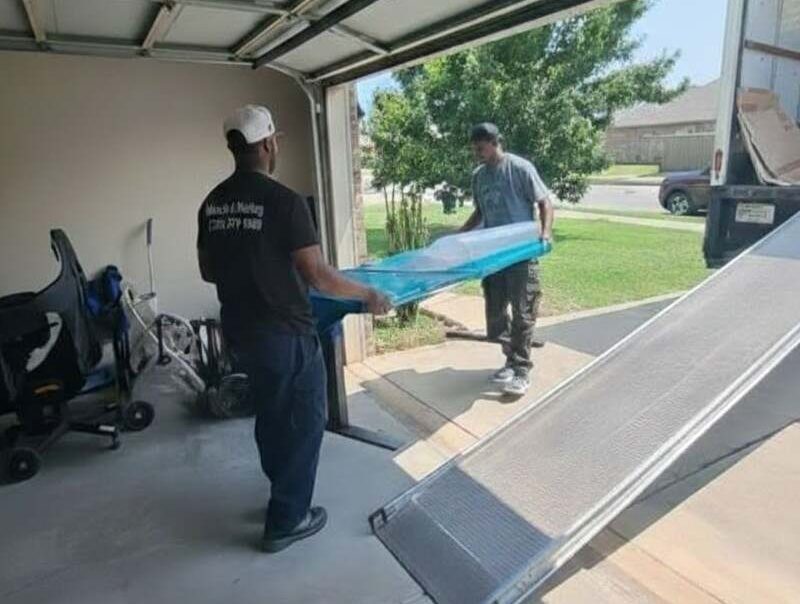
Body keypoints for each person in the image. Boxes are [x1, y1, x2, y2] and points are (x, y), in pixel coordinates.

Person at [197, 105, 391, 553]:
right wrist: (368, 295)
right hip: (284, 332)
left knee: (271, 414)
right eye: (275, 141)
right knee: (305, 421)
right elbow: (319, 275)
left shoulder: (213, 203)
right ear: (268, 144)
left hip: (241, 332)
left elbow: (209, 271)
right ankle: (287, 519)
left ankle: (280, 492)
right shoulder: (284, 202)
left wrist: (250, 270)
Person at [459, 122, 554, 396]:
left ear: (495, 142)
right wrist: (460, 235)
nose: (477, 153)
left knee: (523, 312)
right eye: (474, 149)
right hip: (493, 255)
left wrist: (545, 235)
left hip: (520, 252)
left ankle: (521, 370)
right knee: (495, 314)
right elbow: (480, 212)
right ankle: (511, 361)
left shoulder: (520, 168)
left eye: (481, 148)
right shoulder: (479, 176)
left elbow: (545, 202)